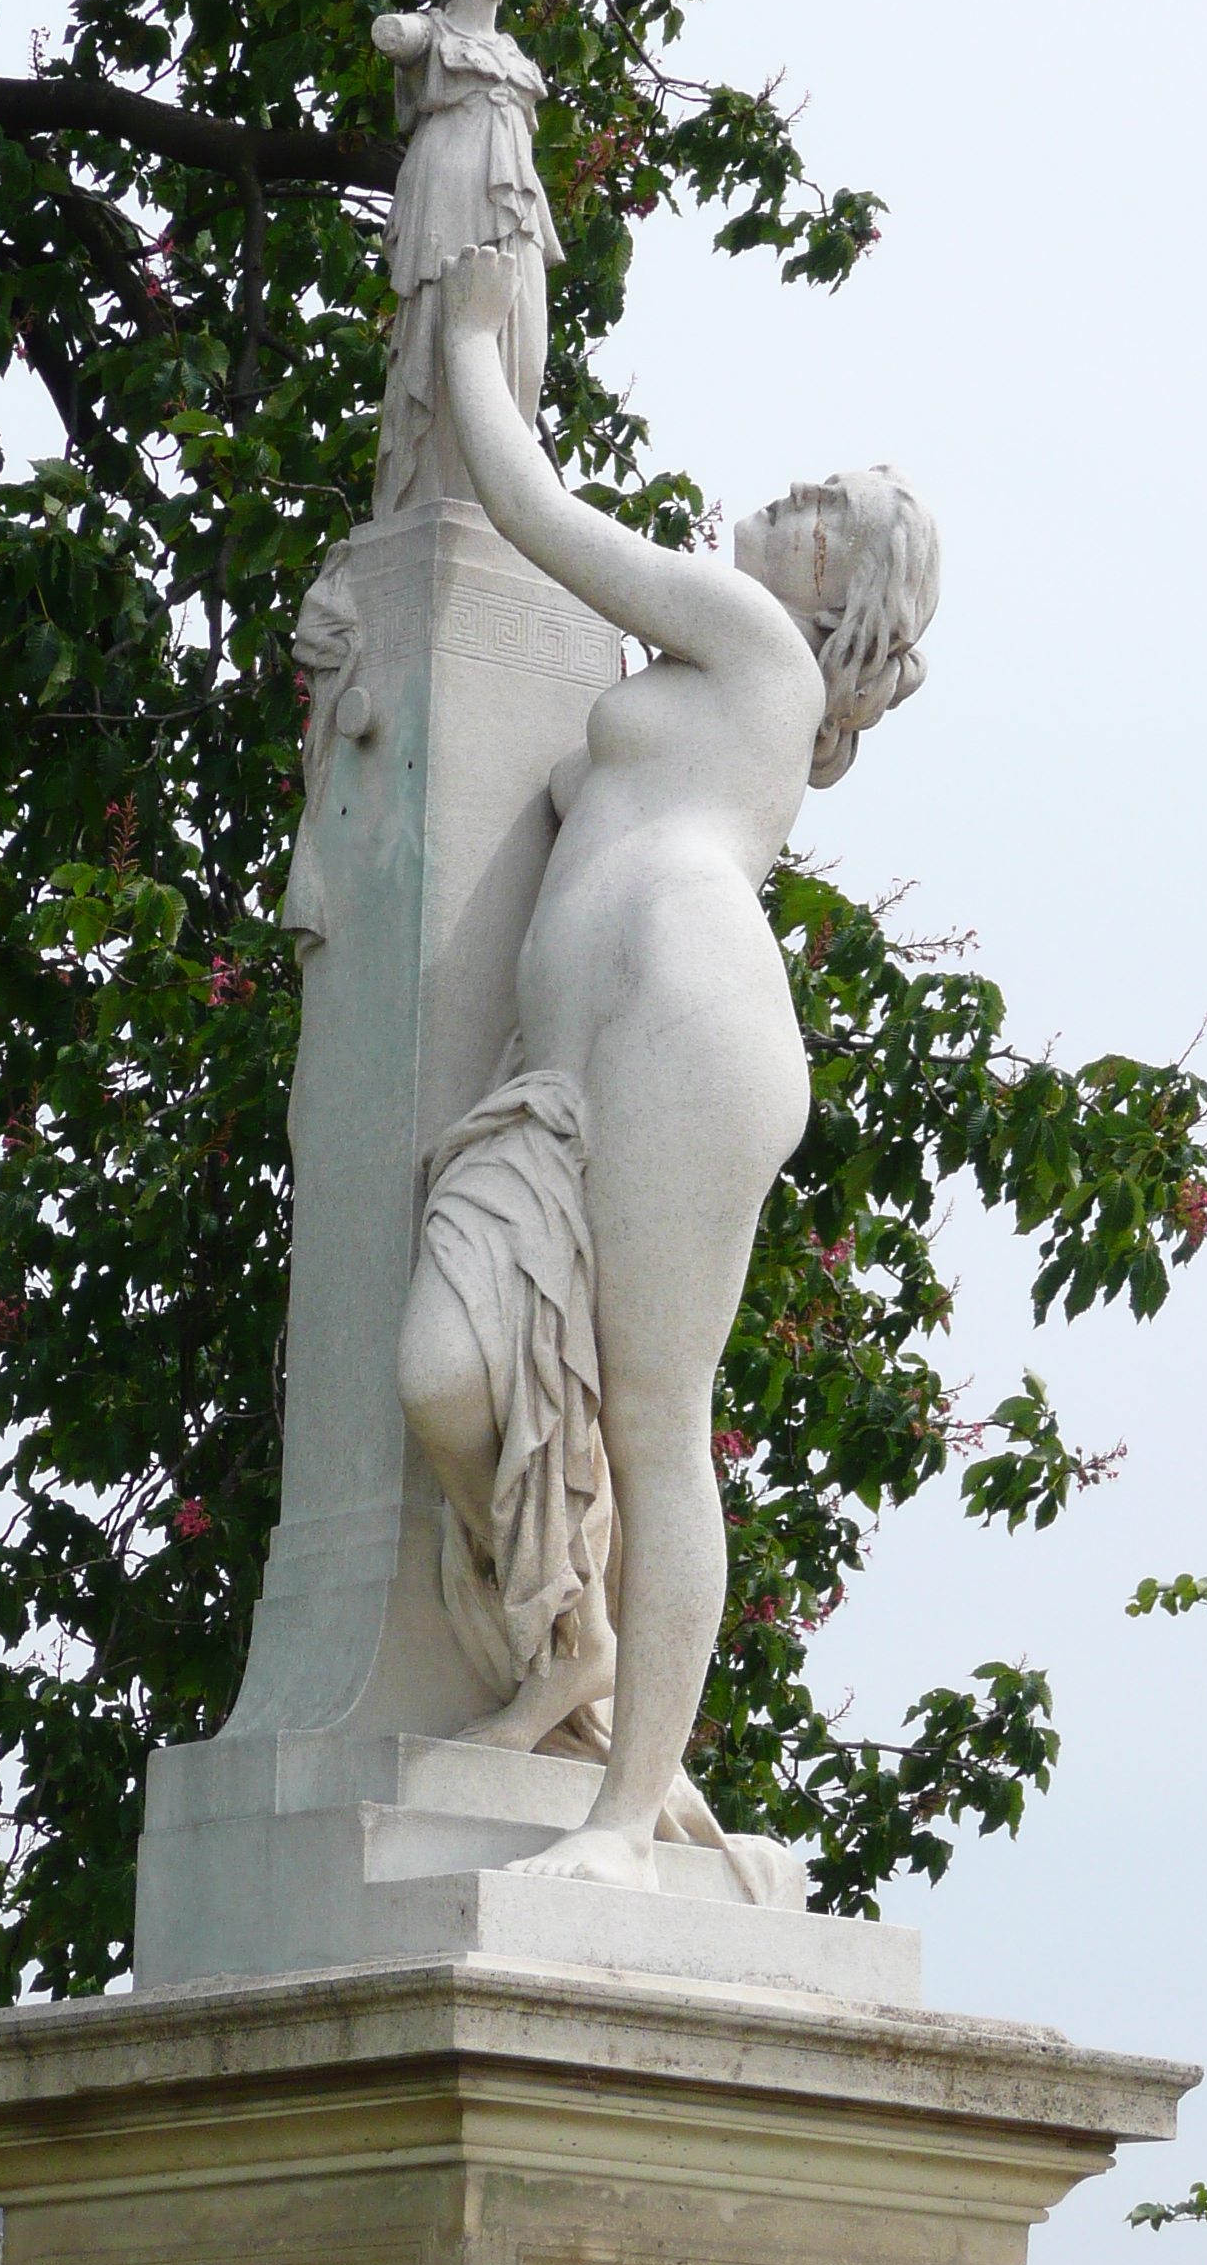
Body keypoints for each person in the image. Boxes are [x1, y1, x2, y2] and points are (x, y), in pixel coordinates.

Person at [397, 238, 939, 1892]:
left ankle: (627, 1814)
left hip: (686, 1017)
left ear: (835, 568)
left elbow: (538, 515)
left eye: (810, 499)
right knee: (442, 1374)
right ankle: (569, 1649)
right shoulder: (704, 675)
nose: (774, 500)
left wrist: (471, 335)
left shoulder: (754, 642)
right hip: (559, 1075)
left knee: (656, 1415)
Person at [370, 0, 563, 518]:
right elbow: (399, 40)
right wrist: (399, 32)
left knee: (524, 342)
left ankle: (503, 496)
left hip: (515, 198)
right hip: (450, 186)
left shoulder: (512, 54)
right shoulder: (435, 31)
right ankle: (437, 491)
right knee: (442, 326)